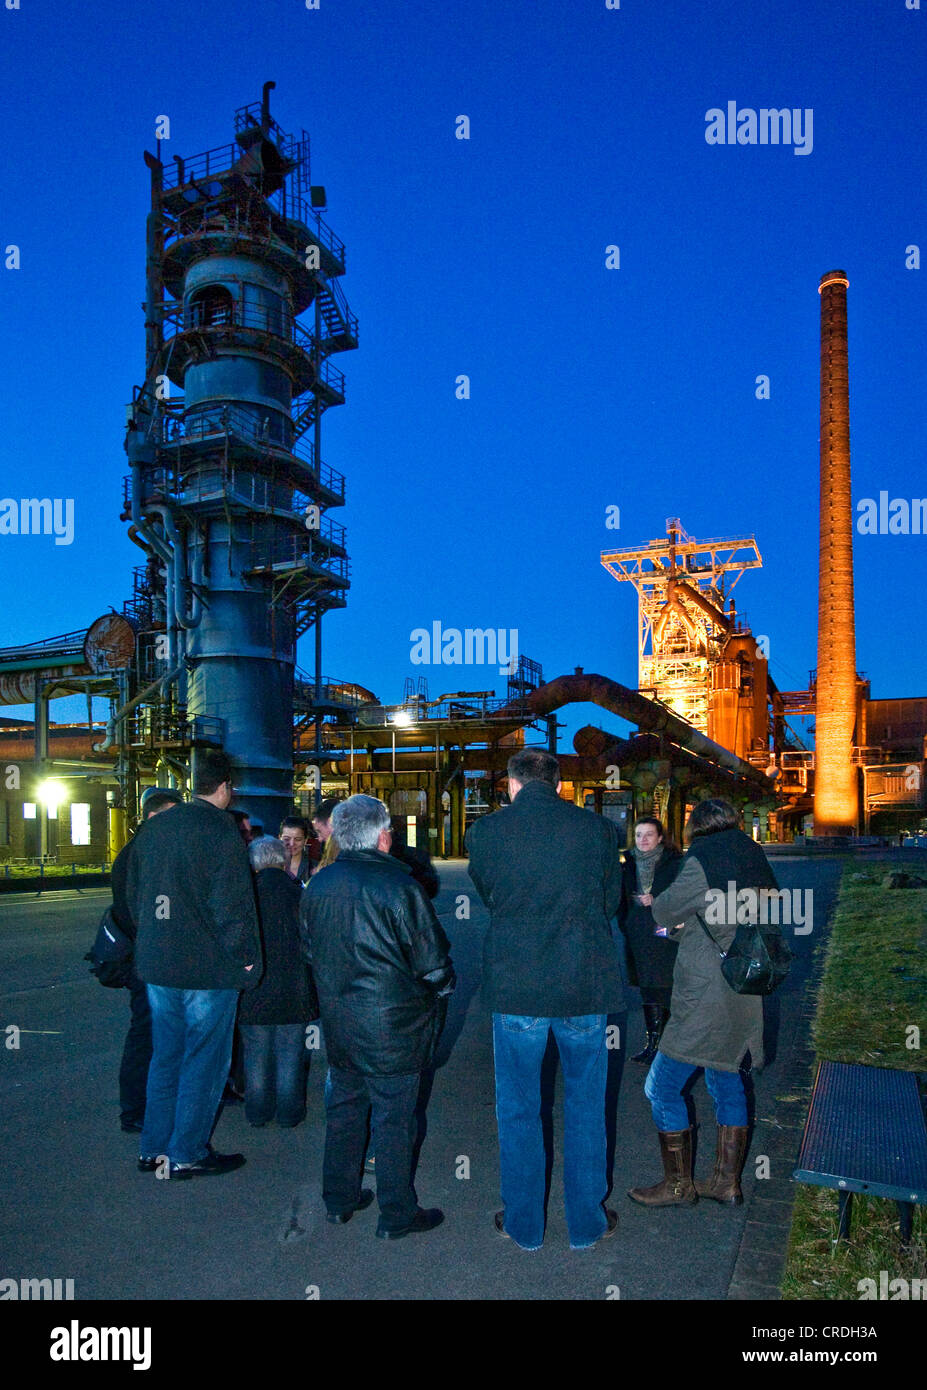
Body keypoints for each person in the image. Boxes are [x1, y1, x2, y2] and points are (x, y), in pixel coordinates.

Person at [466, 749, 625, 1252]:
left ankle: (524, 1225)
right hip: (583, 982)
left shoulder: (485, 833)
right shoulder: (597, 830)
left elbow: (490, 895)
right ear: (559, 785)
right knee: (585, 1104)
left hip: (517, 985)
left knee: (517, 1107)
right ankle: (585, 1224)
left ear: (512, 785)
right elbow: (609, 902)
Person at [300, 795, 455, 1238]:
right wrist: (442, 991)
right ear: (384, 836)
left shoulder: (320, 884)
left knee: (345, 1111)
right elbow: (433, 964)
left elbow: (309, 952)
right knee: (394, 1120)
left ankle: (339, 1199)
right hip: (395, 1027)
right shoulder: (401, 887)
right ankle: (396, 1214)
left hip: (341, 1022)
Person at [628, 798, 780, 1209]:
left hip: (705, 991)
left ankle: (677, 1186)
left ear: (697, 826)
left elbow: (664, 908)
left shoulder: (702, 858)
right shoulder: (752, 853)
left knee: (661, 1086)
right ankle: (725, 1182)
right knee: (728, 1077)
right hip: (745, 986)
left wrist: (677, 917)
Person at [127, 748, 262, 1179]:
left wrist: (153, 939)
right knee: (204, 1059)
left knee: (166, 1055)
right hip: (207, 969)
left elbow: (134, 896)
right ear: (224, 788)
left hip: (159, 965)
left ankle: (154, 1148)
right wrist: (245, 958)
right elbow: (232, 906)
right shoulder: (221, 831)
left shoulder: (155, 829)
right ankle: (187, 1152)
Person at [109, 786, 183, 1132]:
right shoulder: (141, 855)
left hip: (147, 956)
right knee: (145, 1034)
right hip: (146, 960)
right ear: (154, 818)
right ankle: (135, 1110)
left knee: (152, 1033)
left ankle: (142, 1107)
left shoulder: (139, 851)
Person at [239, 836, 319, 1127]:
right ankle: (289, 1113)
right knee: (291, 1053)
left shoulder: (245, 897)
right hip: (295, 989)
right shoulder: (301, 895)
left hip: (254, 989)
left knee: (256, 1054)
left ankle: (258, 1112)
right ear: (283, 862)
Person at [617, 817, 683, 1065]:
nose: (643, 840)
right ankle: (653, 1043)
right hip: (639, 935)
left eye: (649, 835)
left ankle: (668, 1045)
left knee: (666, 986)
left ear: (660, 838)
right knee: (647, 987)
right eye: (639, 835)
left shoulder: (674, 864)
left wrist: (657, 900)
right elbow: (620, 900)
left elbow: (685, 897)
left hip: (666, 934)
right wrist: (628, 924)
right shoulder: (628, 865)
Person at [279, 815, 315, 884]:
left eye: (297, 839)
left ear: (305, 840)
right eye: (286, 839)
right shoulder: (271, 866)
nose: (292, 843)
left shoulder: (314, 867)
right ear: (279, 838)